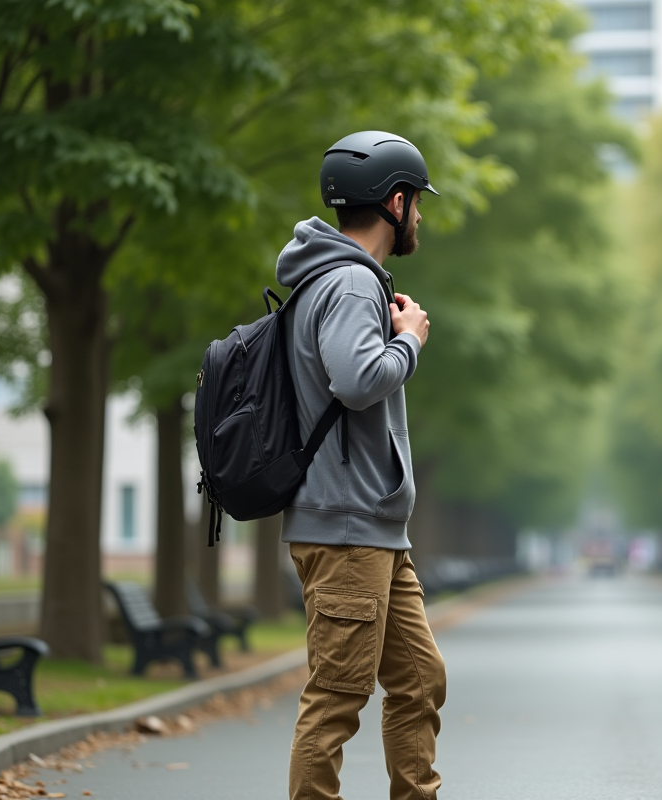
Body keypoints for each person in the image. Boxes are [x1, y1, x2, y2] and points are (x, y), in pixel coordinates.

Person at [276, 131, 443, 800]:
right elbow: (356, 379)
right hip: (346, 527)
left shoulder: (341, 278)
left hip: (370, 528)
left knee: (420, 679)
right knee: (336, 699)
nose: (421, 217)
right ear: (395, 202)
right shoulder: (348, 283)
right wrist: (409, 342)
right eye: (418, 203)